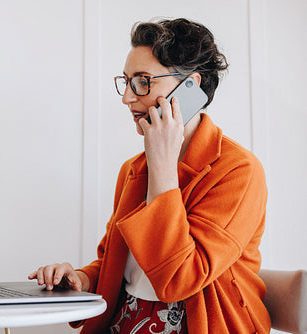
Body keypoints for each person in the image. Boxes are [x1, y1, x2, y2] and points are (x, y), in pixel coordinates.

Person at [28, 18, 270, 334]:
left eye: (143, 81)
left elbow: (178, 280)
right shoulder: (133, 169)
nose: (128, 98)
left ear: (190, 87)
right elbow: (116, 263)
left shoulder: (238, 171)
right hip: (125, 321)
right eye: (126, 82)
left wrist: (163, 170)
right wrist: (80, 278)